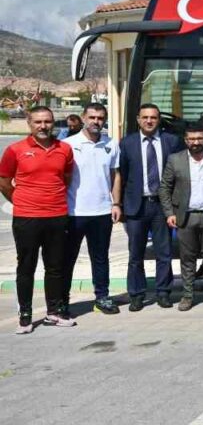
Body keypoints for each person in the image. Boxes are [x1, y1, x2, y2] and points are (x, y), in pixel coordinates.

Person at [2, 106, 75, 333]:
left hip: (57, 216)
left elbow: (66, 178)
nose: (43, 126)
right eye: (38, 122)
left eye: (47, 122)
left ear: (53, 123)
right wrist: (21, 200)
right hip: (27, 218)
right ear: (29, 123)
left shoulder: (64, 149)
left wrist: (51, 198)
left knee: (55, 267)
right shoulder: (15, 150)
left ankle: (54, 312)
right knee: (26, 267)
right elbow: (4, 181)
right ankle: (25, 316)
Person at [114, 103, 181, 311]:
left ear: (159, 120)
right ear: (138, 119)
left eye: (153, 117)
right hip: (136, 206)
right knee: (135, 254)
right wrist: (118, 204)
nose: (149, 121)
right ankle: (136, 294)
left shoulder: (171, 141)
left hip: (162, 206)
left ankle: (163, 292)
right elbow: (122, 175)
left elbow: (178, 174)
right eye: (145, 117)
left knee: (164, 252)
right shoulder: (127, 143)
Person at [160, 124, 203, 312]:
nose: (195, 142)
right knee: (187, 259)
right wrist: (169, 213)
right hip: (186, 216)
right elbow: (165, 188)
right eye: (191, 139)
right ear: (186, 140)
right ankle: (187, 296)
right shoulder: (175, 159)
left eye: (199, 138)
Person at [64, 103, 120, 316]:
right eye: (92, 117)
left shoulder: (111, 144)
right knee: (67, 258)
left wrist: (116, 203)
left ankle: (102, 297)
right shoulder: (68, 145)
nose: (96, 121)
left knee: (100, 258)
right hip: (74, 213)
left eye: (100, 118)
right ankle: (62, 300)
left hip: (102, 212)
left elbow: (115, 175)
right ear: (83, 118)